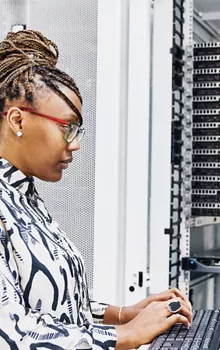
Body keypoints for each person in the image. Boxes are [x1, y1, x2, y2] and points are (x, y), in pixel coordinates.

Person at [0, 30, 192, 349]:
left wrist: (124, 314)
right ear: (18, 121)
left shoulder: (25, 198)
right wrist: (125, 335)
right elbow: (10, 334)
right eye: (67, 128)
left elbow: (54, 307)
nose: (75, 144)